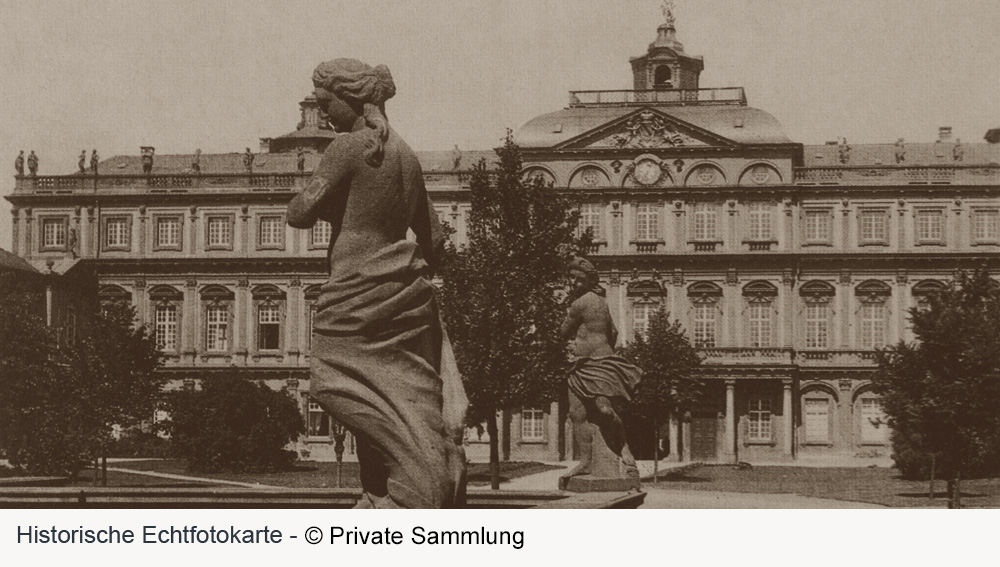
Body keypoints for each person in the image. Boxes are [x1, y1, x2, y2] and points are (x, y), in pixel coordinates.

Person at [287, 58, 467, 509]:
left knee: (333, 381)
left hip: (355, 288)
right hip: (402, 290)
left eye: (328, 103)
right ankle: (381, 490)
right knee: (396, 389)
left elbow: (299, 213)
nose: (325, 113)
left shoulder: (347, 147)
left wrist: (334, 204)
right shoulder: (406, 154)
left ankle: (415, 487)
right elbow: (436, 239)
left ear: (352, 99)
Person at [560, 256, 641, 480]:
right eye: (572, 279)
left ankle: (623, 449)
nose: (575, 283)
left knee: (603, 411)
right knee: (579, 413)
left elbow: (563, 331)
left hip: (593, 363)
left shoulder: (579, 303)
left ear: (589, 281)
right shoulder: (602, 303)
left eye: (579, 280)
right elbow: (613, 332)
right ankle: (590, 461)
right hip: (586, 364)